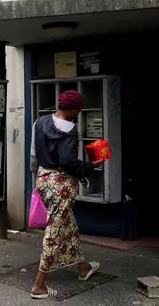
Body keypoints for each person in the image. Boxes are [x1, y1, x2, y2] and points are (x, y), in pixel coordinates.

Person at [29, 90, 103, 299]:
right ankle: (39, 285)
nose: (79, 112)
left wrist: (39, 180)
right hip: (62, 185)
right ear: (71, 109)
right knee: (54, 231)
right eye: (78, 109)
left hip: (43, 178)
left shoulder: (40, 122)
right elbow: (68, 162)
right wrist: (90, 166)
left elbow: (34, 155)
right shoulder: (70, 130)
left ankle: (83, 267)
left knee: (68, 225)